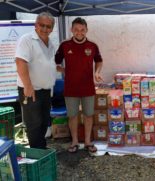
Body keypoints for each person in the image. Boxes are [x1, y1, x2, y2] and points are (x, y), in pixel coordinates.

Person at [55, 17, 103, 153]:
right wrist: (61, 69)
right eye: (76, 29)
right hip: (70, 88)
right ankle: (75, 142)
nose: (79, 32)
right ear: (71, 30)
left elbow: (99, 61)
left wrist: (97, 72)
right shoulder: (64, 45)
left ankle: (88, 142)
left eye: (82, 30)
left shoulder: (92, 45)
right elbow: (56, 60)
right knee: (73, 116)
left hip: (88, 87)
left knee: (88, 115)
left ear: (86, 30)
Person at [15, 12, 57, 149]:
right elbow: (20, 62)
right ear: (36, 25)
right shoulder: (27, 40)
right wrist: (27, 86)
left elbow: (48, 64)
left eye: (48, 26)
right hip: (31, 90)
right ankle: (37, 153)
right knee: (34, 124)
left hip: (45, 91)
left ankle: (41, 148)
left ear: (52, 28)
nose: (45, 29)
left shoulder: (50, 43)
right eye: (42, 25)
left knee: (44, 121)